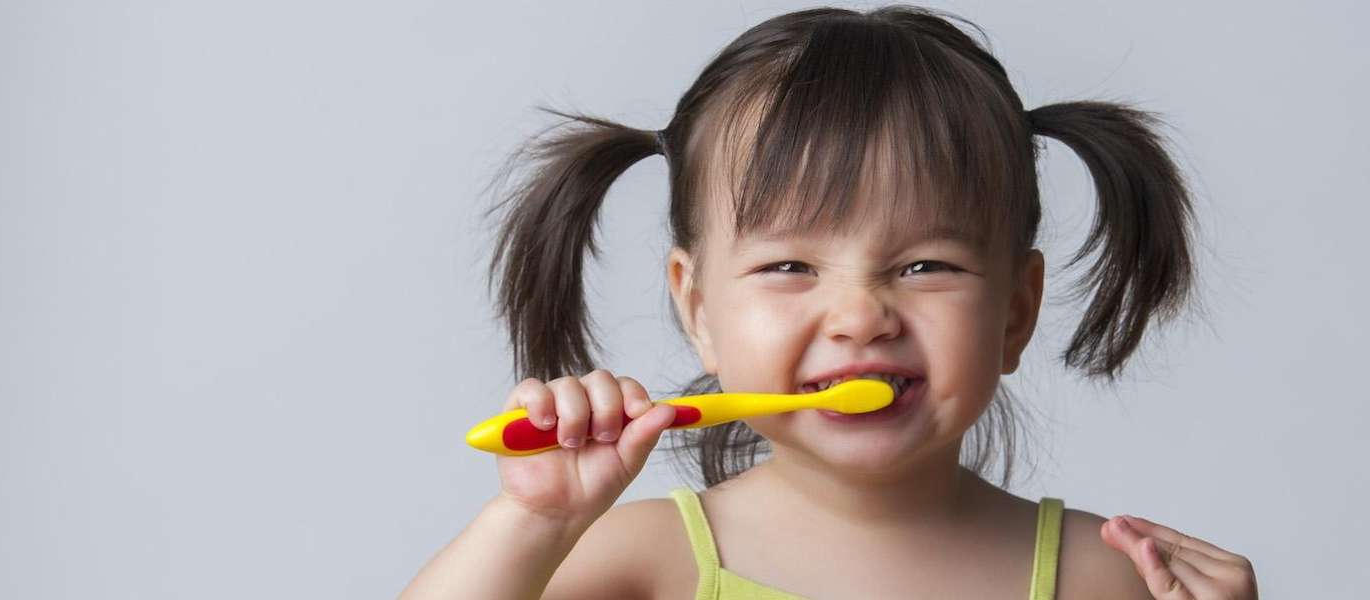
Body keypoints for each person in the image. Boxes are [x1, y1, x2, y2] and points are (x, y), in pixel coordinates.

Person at [403, 4, 1257, 599]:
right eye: (789, 267)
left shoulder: (1102, 577)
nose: (861, 315)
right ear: (697, 309)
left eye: (927, 267)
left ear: (1015, 313)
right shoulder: (639, 562)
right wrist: (531, 525)